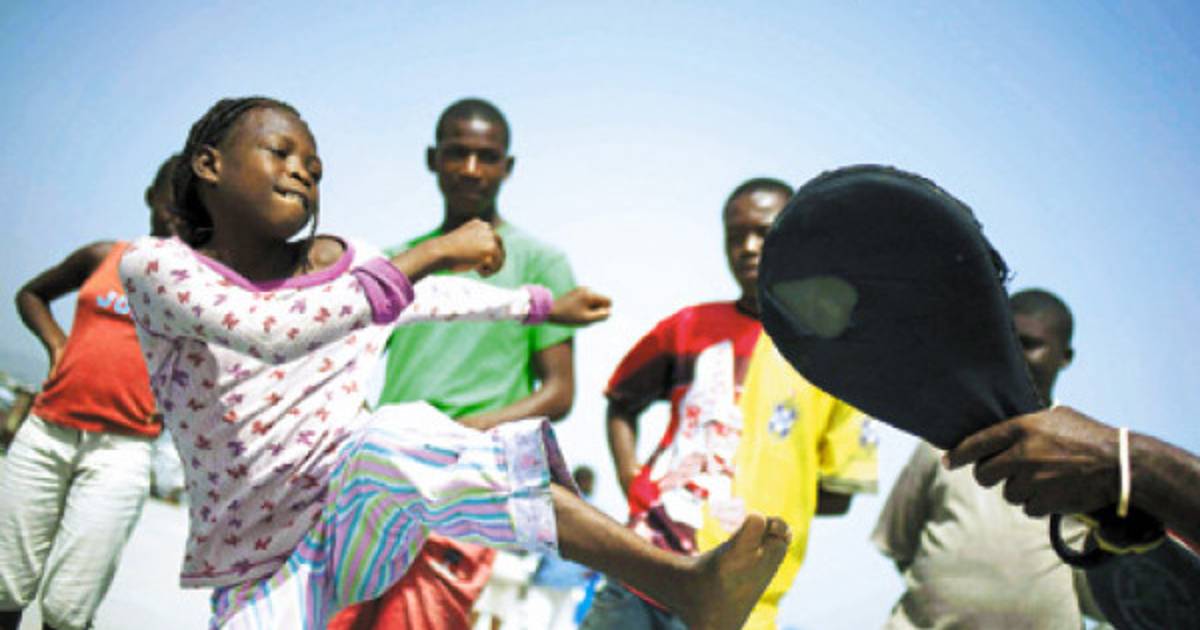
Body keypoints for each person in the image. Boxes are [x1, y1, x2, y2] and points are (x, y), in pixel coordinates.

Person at [122, 96, 792, 629]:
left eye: (315, 168)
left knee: (394, 433)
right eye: (281, 153)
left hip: (377, 498)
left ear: (507, 166)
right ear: (209, 164)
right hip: (259, 561)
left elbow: (434, 299)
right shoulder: (159, 266)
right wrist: (435, 254)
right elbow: (272, 330)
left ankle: (679, 581)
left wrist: (539, 304)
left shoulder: (364, 264)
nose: (303, 172)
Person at [582, 179, 878, 630]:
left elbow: (837, 494)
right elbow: (621, 401)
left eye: (764, 233)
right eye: (735, 236)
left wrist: (754, 497)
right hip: (648, 564)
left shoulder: (835, 360)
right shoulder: (690, 327)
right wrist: (634, 479)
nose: (748, 247)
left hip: (741, 595)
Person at [331, 97, 582, 629]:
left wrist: (463, 433)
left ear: (507, 167)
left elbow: (559, 392)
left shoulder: (540, 262)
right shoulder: (403, 260)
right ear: (433, 159)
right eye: (457, 153)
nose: (470, 169)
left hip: (461, 487)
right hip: (377, 482)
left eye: (486, 157)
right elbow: (345, 366)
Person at [0, 155, 181, 630]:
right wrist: (57, 345)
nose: (180, 212)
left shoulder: (195, 290)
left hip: (121, 452)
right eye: (172, 199)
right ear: (151, 197)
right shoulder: (103, 256)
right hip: (46, 434)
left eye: (194, 206)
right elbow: (31, 295)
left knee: (68, 608)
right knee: (4, 586)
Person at [872, 288, 1094, 628]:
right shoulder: (944, 438)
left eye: (1030, 344)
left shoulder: (1084, 457)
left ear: (1064, 357)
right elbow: (900, 543)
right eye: (1006, 340)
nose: (1015, 355)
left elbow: (1106, 580)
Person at [521, 466, 600, 630]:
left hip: (547, 576)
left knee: (533, 624)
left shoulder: (559, 505)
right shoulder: (594, 513)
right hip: (573, 581)